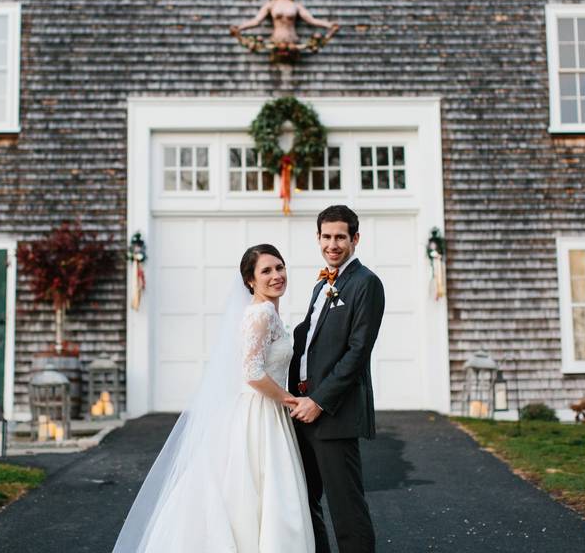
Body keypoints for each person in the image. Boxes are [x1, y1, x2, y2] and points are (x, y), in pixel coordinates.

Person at [112, 244, 315, 552]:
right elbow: (252, 373)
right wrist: (289, 400)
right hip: (259, 412)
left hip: (263, 410)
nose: (277, 275)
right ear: (250, 281)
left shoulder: (268, 313)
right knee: (258, 491)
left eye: (280, 267)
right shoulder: (260, 315)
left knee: (261, 491)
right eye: (266, 271)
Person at [289, 205, 386, 553]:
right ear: (318, 238)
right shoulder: (322, 284)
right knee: (305, 502)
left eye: (340, 237)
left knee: (346, 509)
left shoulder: (366, 284)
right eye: (326, 236)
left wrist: (319, 401)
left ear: (355, 239)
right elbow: (309, 343)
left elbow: (358, 352)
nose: (333, 244)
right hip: (300, 411)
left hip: (333, 413)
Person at [230, 0, 339, 49]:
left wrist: (329, 25)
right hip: (276, 40)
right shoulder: (271, 5)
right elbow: (256, 21)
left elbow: (311, 20)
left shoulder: (295, 5)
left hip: (293, 40)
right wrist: (239, 27)